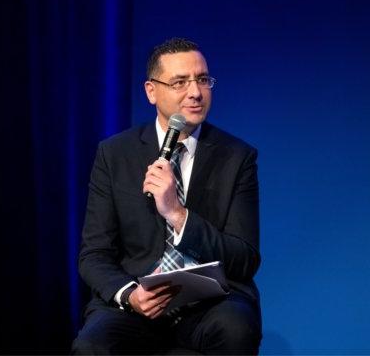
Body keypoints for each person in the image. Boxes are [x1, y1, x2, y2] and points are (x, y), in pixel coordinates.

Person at [71, 38, 261, 355]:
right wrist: (129, 294)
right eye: (180, 82)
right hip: (136, 303)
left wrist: (177, 214)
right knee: (93, 345)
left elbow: (245, 258)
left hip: (211, 304)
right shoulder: (115, 154)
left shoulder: (237, 157)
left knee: (236, 328)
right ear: (151, 91)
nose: (196, 92)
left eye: (203, 80)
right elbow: (93, 254)